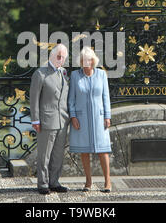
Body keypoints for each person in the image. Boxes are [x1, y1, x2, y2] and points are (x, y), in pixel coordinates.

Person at [68, 46, 112, 192]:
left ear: (94, 61)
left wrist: (107, 116)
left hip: (99, 118)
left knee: (103, 150)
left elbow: (106, 97)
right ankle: (88, 181)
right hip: (82, 118)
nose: (87, 62)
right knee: (84, 150)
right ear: (81, 61)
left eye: (89, 59)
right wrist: (73, 116)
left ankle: (107, 181)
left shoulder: (101, 74)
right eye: (84, 60)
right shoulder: (75, 76)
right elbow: (71, 99)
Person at [30, 44, 70, 195]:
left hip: (62, 120)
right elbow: (34, 99)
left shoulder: (64, 73)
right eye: (58, 56)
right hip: (46, 120)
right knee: (44, 155)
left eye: (63, 57)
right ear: (51, 56)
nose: (60, 59)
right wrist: (35, 120)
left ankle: (54, 182)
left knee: (58, 154)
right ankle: (43, 183)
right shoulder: (40, 74)